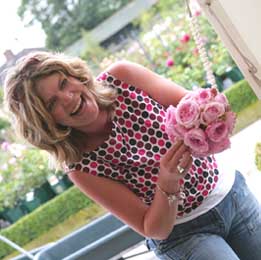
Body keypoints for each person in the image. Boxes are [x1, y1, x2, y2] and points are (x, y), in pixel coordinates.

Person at [4, 51, 261, 260]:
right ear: (47, 122)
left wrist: (210, 115)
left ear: (75, 76)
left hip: (232, 194)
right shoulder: (81, 166)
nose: (68, 97)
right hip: (184, 235)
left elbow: (193, 106)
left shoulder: (123, 77)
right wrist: (167, 183)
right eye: (52, 104)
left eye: (63, 83)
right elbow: (154, 229)